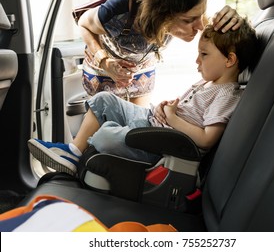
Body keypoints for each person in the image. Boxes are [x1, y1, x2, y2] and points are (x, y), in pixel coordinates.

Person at [28, 17, 260, 176]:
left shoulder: (228, 95)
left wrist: (172, 118)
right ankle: (74, 153)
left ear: (229, 60)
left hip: (163, 143)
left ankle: (80, 157)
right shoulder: (208, 82)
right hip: (154, 121)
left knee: (106, 133)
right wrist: (169, 107)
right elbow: (192, 111)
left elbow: (207, 138)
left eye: (204, 54)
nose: (197, 61)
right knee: (103, 99)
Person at [79, 0, 243, 107]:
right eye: (188, 20)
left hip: (142, 71)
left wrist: (234, 21)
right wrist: (105, 61)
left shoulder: (190, 13)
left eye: (201, 15)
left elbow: (216, 34)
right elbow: (83, 24)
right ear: (161, 14)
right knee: (102, 128)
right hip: (103, 69)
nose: (200, 26)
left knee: (133, 128)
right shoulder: (119, 9)